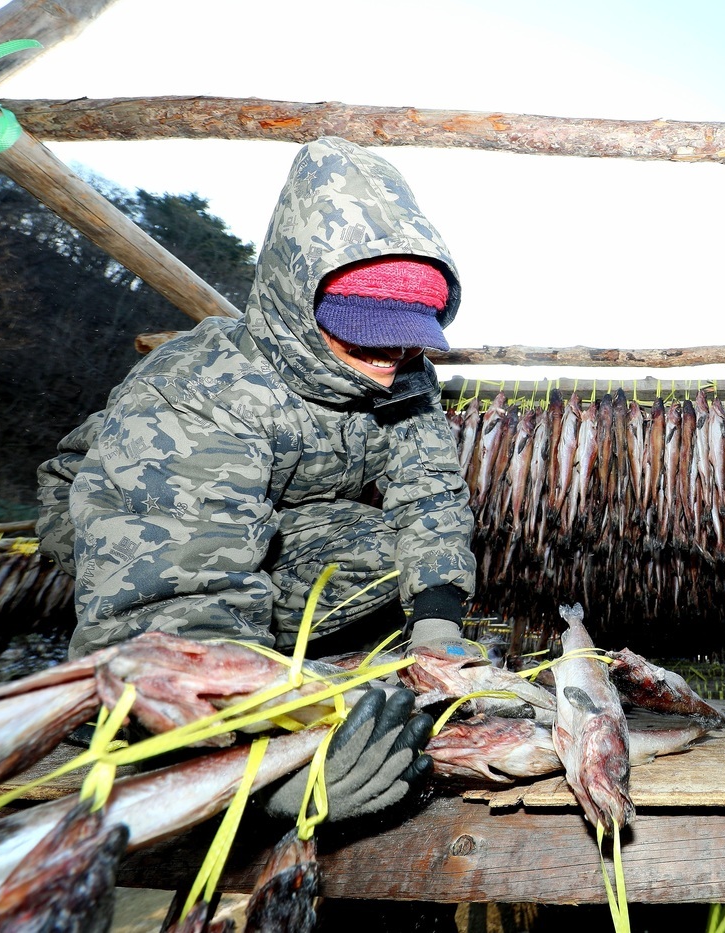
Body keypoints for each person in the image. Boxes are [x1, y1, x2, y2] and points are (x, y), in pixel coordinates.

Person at [35, 136, 477, 817]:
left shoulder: (405, 375)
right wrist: (253, 775)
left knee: (379, 549)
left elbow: (430, 491)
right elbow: (177, 586)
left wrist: (437, 627)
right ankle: (218, 693)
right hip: (134, 514)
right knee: (170, 643)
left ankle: (271, 661)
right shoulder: (202, 389)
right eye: (364, 336)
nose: (391, 359)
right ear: (298, 310)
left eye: (409, 336)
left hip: (269, 510)